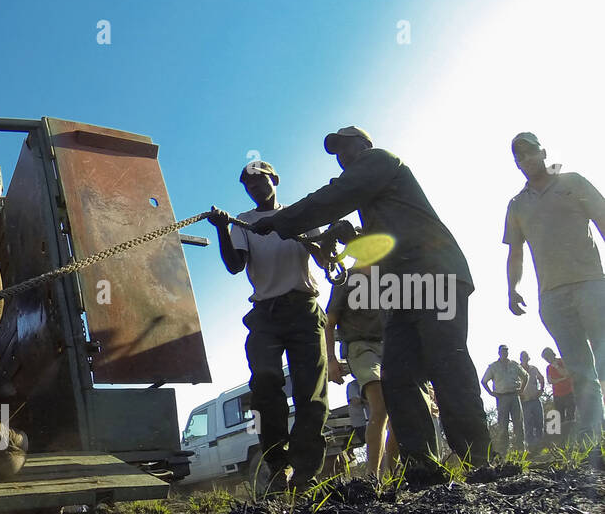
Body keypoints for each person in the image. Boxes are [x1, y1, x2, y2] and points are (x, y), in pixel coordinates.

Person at [250, 127, 491, 484]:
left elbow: (336, 195)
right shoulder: (374, 190)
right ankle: (423, 467)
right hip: (403, 285)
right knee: (397, 376)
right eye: (337, 154)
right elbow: (384, 231)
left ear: (365, 145)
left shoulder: (381, 161)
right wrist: (351, 235)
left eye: (346, 149)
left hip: (434, 272)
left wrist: (280, 221)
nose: (342, 158)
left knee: (446, 361)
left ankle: (480, 460)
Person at [207, 159, 328, 492]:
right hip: (266, 315)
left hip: (304, 309)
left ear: (274, 179)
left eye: (261, 181)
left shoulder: (301, 214)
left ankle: (306, 473)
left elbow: (322, 256)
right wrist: (221, 229)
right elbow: (234, 266)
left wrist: (300, 231)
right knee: (265, 384)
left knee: (310, 392)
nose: (255, 188)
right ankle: (277, 466)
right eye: (249, 185)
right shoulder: (242, 222)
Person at [504, 132, 605, 450]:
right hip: (551, 296)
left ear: (543, 152)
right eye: (519, 157)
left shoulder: (573, 182)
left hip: (591, 283)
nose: (526, 160)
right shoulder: (517, 205)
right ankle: (592, 438)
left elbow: (603, 219)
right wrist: (513, 289)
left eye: (531, 153)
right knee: (578, 367)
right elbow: (516, 253)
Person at [326, 262, 394, 478]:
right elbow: (329, 323)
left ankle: (391, 476)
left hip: (388, 346)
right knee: (380, 405)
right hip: (359, 346)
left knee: (400, 412)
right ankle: (372, 478)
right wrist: (331, 360)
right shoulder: (345, 279)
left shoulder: (385, 278)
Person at [481, 345, 528, 453]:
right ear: (499, 352)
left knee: (518, 423)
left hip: (514, 395)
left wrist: (521, 390)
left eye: (506, 351)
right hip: (501, 397)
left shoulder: (514, 364)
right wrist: (491, 393)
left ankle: (521, 449)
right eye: (503, 351)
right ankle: (504, 450)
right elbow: (484, 381)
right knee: (503, 424)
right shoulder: (493, 366)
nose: (504, 353)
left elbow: (526, 376)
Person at [543, 346, 575, 437]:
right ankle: (562, 440)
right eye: (545, 358)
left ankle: (571, 437)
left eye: (547, 357)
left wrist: (557, 366)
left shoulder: (562, 361)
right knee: (560, 418)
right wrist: (562, 379)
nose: (547, 360)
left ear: (552, 354)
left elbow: (567, 373)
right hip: (557, 395)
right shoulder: (548, 368)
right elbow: (550, 381)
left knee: (570, 417)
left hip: (569, 393)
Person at [518, 350, 545, 444]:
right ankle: (530, 445)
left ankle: (541, 443)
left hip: (535, 399)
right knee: (528, 424)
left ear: (528, 358)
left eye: (526, 356)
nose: (525, 358)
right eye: (523, 357)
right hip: (524, 401)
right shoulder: (517, 369)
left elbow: (541, 378)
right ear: (521, 359)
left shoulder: (533, 369)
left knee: (539, 422)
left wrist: (541, 390)